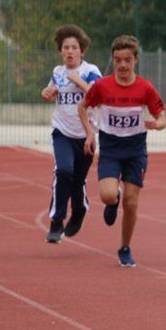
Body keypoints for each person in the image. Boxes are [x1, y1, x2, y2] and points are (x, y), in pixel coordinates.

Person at [78, 35, 166, 267]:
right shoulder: (102, 86)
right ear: (113, 60)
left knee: (132, 201)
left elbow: (162, 116)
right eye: (118, 60)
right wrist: (89, 133)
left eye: (127, 60)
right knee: (108, 195)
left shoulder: (145, 88)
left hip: (136, 151)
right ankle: (112, 199)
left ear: (135, 60)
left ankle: (125, 247)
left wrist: (158, 124)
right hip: (111, 149)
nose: (123, 65)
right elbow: (83, 106)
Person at [41, 25, 102, 243]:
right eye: (65, 47)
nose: (69, 51)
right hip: (62, 132)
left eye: (74, 47)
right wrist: (46, 92)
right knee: (63, 171)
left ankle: (79, 210)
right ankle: (56, 221)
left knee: (77, 180)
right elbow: (49, 91)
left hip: (86, 135)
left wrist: (80, 82)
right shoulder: (57, 72)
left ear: (81, 51)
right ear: (60, 51)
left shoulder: (90, 70)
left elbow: (98, 95)